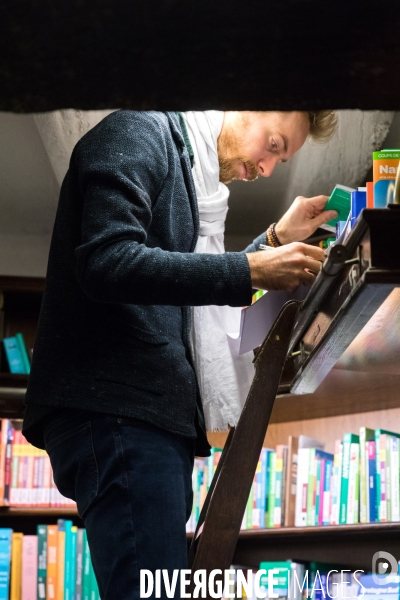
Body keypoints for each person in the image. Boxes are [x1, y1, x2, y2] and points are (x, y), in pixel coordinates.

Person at [23, 109, 337, 599]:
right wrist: (253, 269)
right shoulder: (138, 132)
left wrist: (273, 241)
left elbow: (184, 278)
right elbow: (107, 261)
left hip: (140, 415)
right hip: (122, 411)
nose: (268, 168)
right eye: (274, 145)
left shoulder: (193, 179)